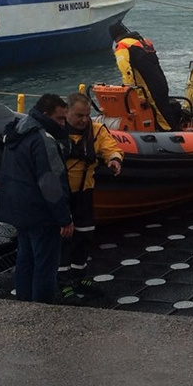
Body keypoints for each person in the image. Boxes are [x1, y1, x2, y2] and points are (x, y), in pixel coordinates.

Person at [0, 93, 74, 303]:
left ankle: (24, 303)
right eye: (59, 119)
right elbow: (50, 183)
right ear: (46, 115)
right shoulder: (43, 140)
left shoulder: (16, 133)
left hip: (17, 209)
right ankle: (42, 308)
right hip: (40, 213)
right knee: (45, 265)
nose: (63, 124)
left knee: (25, 260)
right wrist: (64, 218)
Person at [59, 91, 123, 300]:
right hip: (59, 195)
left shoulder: (95, 131)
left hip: (84, 193)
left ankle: (79, 277)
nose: (84, 120)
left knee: (84, 236)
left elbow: (110, 147)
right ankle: (61, 282)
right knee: (61, 239)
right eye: (79, 115)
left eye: (87, 115)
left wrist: (114, 160)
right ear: (67, 112)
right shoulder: (56, 132)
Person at [109, 22, 181, 130]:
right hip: (161, 82)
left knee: (162, 117)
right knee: (163, 109)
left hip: (147, 88)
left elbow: (126, 70)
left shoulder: (122, 46)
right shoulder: (143, 42)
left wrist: (129, 91)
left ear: (114, 37)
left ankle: (174, 134)